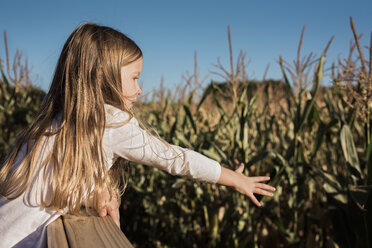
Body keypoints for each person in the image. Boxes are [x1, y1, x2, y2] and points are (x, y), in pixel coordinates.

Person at [0, 22, 276, 247]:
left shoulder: (59, 120)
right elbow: (176, 159)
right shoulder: (108, 120)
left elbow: (64, 179)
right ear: (101, 77)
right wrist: (235, 179)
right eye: (134, 77)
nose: (140, 89)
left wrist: (100, 192)